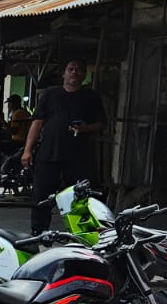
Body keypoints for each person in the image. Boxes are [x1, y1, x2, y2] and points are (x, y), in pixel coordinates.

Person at [23, 59, 106, 232]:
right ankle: (38, 231)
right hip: (49, 152)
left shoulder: (91, 96)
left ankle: (80, 233)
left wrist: (85, 128)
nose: (74, 72)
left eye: (78, 70)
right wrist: (27, 151)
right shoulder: (50, 94)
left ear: (84, 75)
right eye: (71, 69)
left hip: (77, 155)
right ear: (64, 74)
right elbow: (37, 123)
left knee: (78, 196)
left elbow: (101, 124)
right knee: (41, 194)